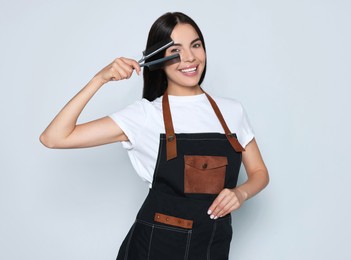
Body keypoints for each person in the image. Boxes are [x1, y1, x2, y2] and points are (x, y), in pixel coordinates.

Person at [40, 12, 269, 260]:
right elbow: (54, 137)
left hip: (212, 247)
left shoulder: (232, 111)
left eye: (196, 45)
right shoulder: (145, 116)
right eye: (175, 52)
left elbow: (259, 173)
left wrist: (240, 193)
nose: (190, 58)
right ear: (158, 60)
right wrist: (100, 79)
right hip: (153, 250)